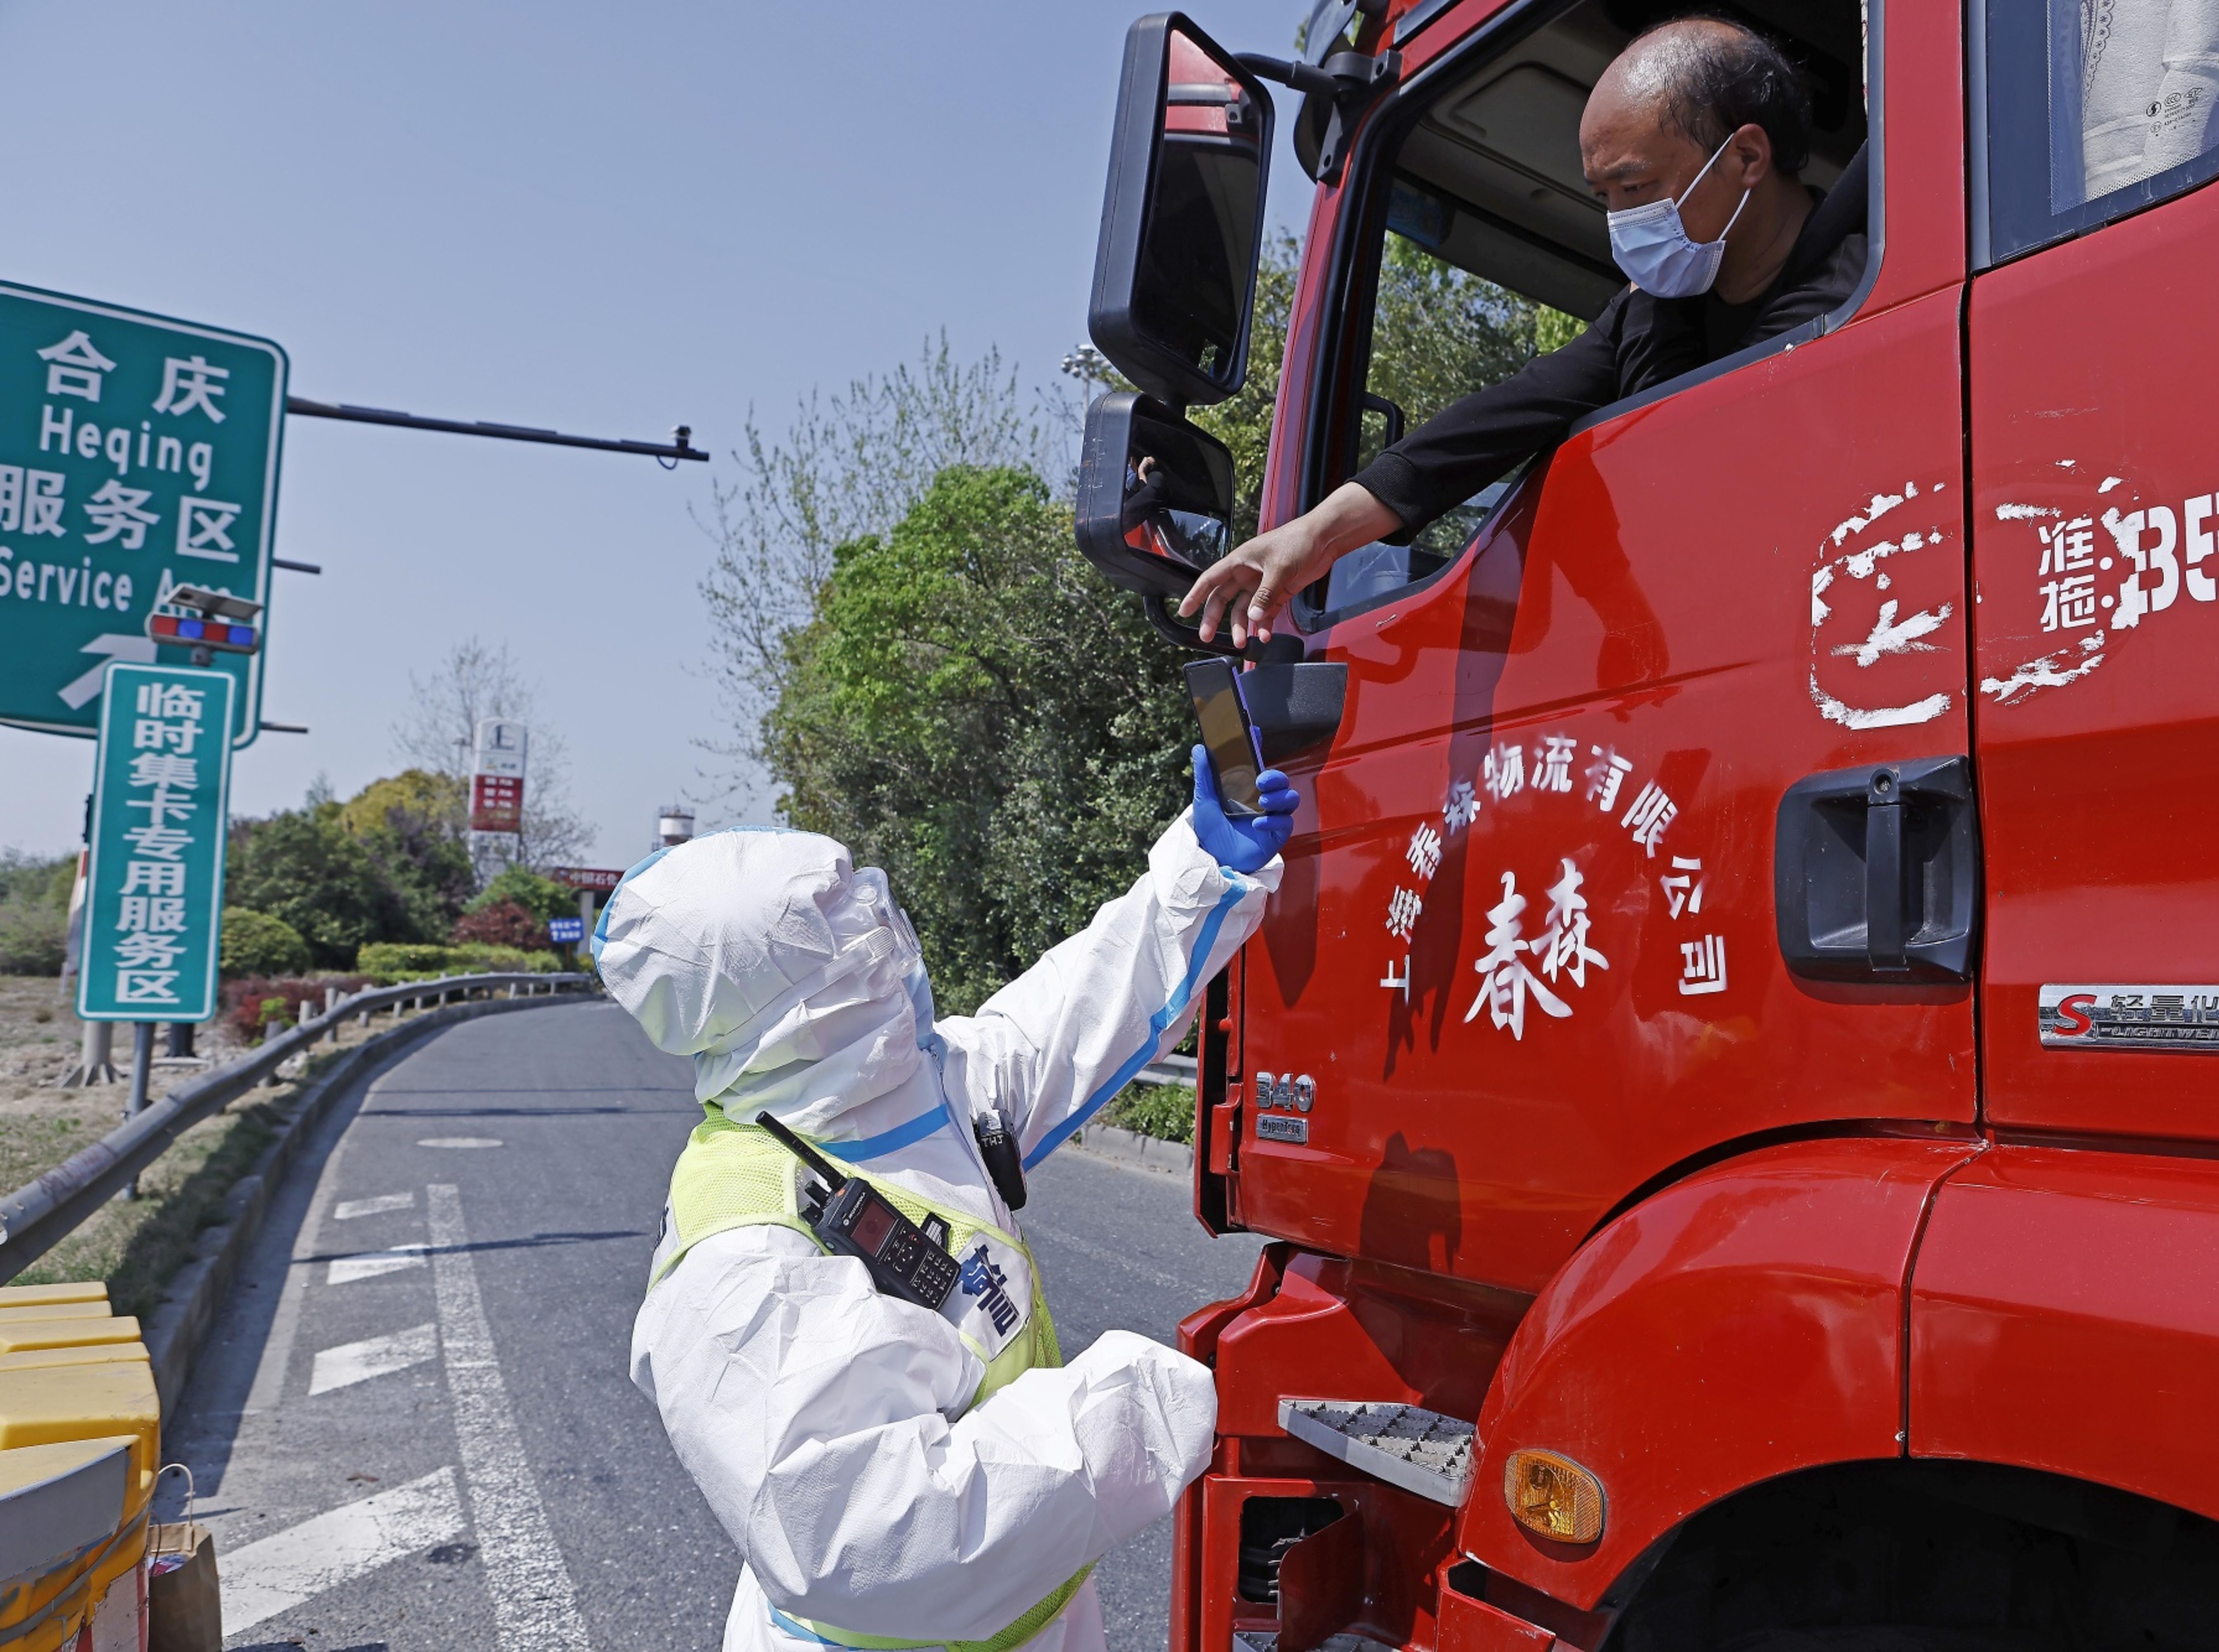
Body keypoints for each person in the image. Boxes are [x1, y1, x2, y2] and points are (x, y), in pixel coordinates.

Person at [605, 748, 1300, 1652]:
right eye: (834, 914)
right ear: (772, 994)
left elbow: (1073, 1015)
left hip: (1036, 1617)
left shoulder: (907, 1095)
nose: (876, 920)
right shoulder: (743, 1247)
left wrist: (1203, 871)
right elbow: (864, 1542)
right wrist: (1151, 1401)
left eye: (856, 887)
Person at [1179, 14, 1866, 646]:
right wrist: (1311, 537)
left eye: (1636, 189)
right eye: (1604, 199)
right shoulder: (1665, 302)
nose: (1621, 224)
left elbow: (1685, 463)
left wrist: (1653, 309)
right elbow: (1497, 421)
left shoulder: (1854, 295)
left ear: (1747, 158)